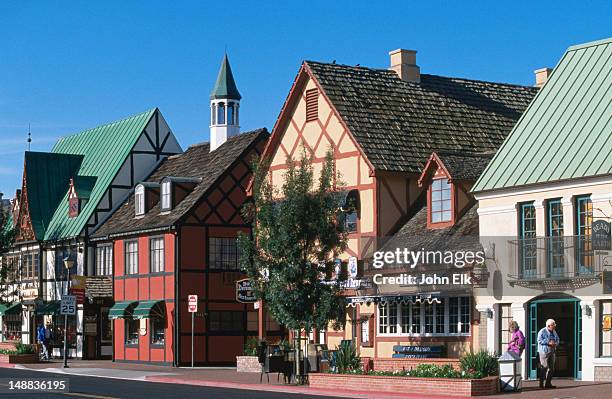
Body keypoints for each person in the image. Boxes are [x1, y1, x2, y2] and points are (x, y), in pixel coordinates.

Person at [537, 318, 559, 389]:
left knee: (551, 368)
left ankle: (548, 383)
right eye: (553, 325)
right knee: (544, 367)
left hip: (552, 351)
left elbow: (558, 339)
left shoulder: (554, 331)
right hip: (544, 352)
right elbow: (539, 340)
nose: (554, 326)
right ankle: (541, 383)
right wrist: (548, 342)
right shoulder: (542, 331)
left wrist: (556, 343)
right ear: (549, 326)